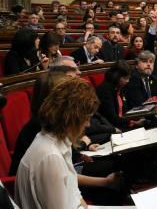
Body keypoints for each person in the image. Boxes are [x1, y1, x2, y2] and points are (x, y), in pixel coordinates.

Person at [14, 77, 101, 208]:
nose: (88, 124)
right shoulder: (50, 157)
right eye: (86, 118)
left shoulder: (57, 140)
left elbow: (74, 192)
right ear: (71, 118)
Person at [96, 61, 145, 131]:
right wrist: (133, 122)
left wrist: (138, 117)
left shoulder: (119, 87)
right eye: (125, 78)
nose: (128, 81)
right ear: (115, 77)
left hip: (123, 124)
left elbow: (126, 110)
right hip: (113, 128)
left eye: (129, 78)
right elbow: (113, 119)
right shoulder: (105, 91)